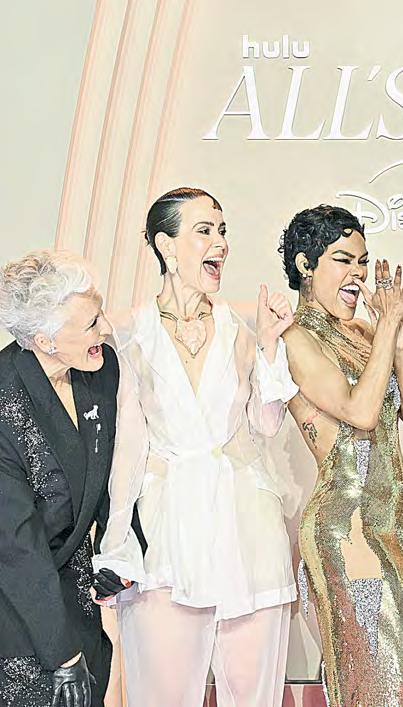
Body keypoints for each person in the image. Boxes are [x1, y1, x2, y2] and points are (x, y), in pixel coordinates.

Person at [91, 187, 298, 707]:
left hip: (246, 532)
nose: (220, 243)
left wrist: (270, 344)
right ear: (166, 245)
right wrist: (115, 544)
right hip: (165, 534)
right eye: (204, 231)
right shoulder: (126, 332)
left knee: (252, 696)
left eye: (222, 231)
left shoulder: (241, 325)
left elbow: (267, 424)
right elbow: (126, 451)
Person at [278, 205, 403, 706]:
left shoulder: (363, 333)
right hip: (347, 529)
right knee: (382, 683)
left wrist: (395, 342)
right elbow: (361, 412)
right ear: (305, 265)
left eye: (362, 261)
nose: (357, 273)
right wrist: (387, 328)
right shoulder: (296, 339)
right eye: (343, 260)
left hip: (396, 525)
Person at [0, 250, 116, 707]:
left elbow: (111, 472)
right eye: (91, 323)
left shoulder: (99, 370)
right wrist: (61, 655)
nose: (106, 329)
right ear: (45, 340)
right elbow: (15, 546)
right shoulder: (4, 401)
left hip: (77, 604)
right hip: (18, 615)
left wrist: (120, 553)